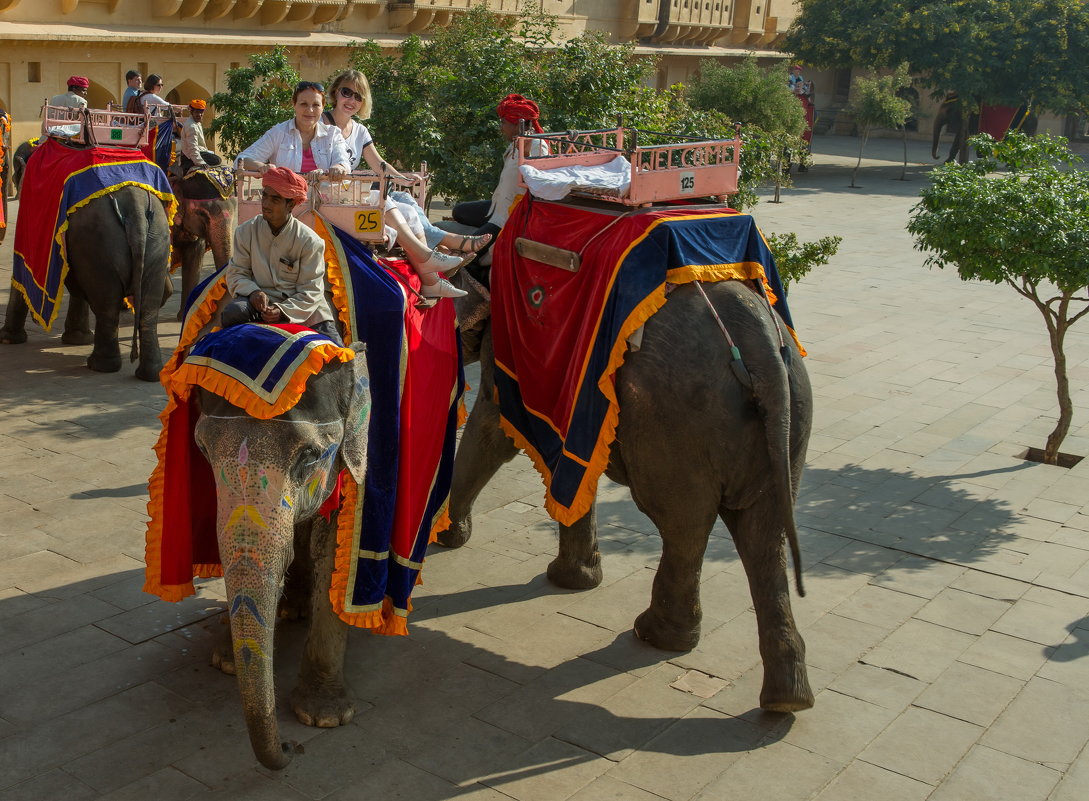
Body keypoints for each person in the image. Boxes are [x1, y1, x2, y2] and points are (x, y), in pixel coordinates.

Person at [239, 80, 465, 299]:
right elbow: (243, 158)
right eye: (303, 104)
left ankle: (429, 278)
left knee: (406, 211)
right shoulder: (278, 133)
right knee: (383, 200)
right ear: (294, 105)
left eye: (315, 105)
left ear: (322, 107)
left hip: (330, 200)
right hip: (297, 204)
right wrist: (263, 167)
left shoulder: (332, 134)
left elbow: (343, 162)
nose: (310, 110)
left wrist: (336, 168)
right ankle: (427, 260)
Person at [324, 70, 491, 262]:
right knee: (407, 211)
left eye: (358, 96)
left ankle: (440, 247)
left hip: (349, 193)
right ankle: (445, 245)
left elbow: (380, 165)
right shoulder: (321, 124)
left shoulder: (360, 131)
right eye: (346, 92)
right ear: (335, 91)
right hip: (334, 196)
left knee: (403, 196)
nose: (351, 100)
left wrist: (402, 178)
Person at [221, 167, 342, 345]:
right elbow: (236, 273)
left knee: (335, 351)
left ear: (291, 204)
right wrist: (253, 292)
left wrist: (282, 311)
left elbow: (311, 291)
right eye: (265, 196)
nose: (266, 203)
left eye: (275, 199)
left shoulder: (310, 242)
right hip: (257, 303)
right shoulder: (245, 232)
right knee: (232, 313)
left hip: (301, 308)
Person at [450, 94, 548, 262]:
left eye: (503, 123)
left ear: (518, 125)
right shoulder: (516, 142)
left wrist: (526, 153)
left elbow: (536, 183)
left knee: (467, 254)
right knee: (459, 211)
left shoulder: (537, 146)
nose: (501, 128)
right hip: (497, 206)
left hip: (508, 216)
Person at [177, 99, 220, 174]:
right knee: (217, 160)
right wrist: (200, 162)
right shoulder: (191, 126)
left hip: (198, 152)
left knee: (214, 157)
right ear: (192, 112)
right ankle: (190, 165)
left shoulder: (196, 123)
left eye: (201, 112)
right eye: (197, 112)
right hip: (189, 157)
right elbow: (192, 147)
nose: (199, 115)